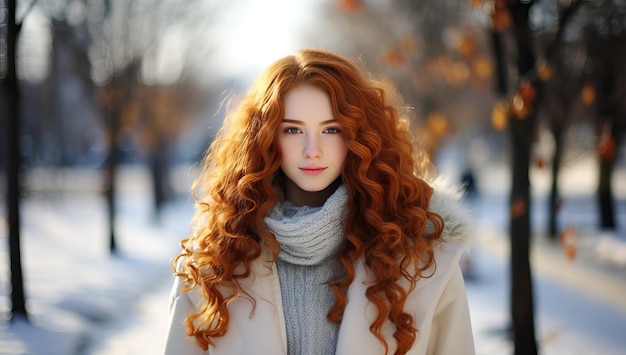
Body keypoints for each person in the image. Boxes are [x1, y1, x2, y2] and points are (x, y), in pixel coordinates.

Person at [164, 48, 474, 355]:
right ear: (266, 137)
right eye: (294, 129)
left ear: (360, 135)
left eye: (331, 129)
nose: (312, 149)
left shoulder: (424, 257)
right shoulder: (213, 260)